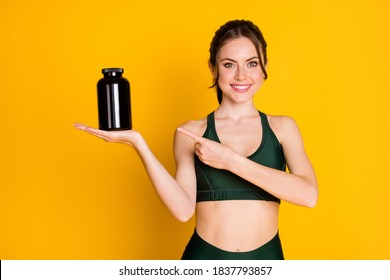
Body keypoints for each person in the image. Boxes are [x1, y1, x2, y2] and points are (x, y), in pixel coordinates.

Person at [74, 19, 318, 260]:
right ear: (213, 68)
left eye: (252, 63)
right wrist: (138, 143)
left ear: (265, 65)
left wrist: (231, 161)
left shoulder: (283, 128)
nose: (241, 76)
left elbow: (308, 195)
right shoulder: (191, 132)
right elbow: (182, 210)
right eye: (229, 65)